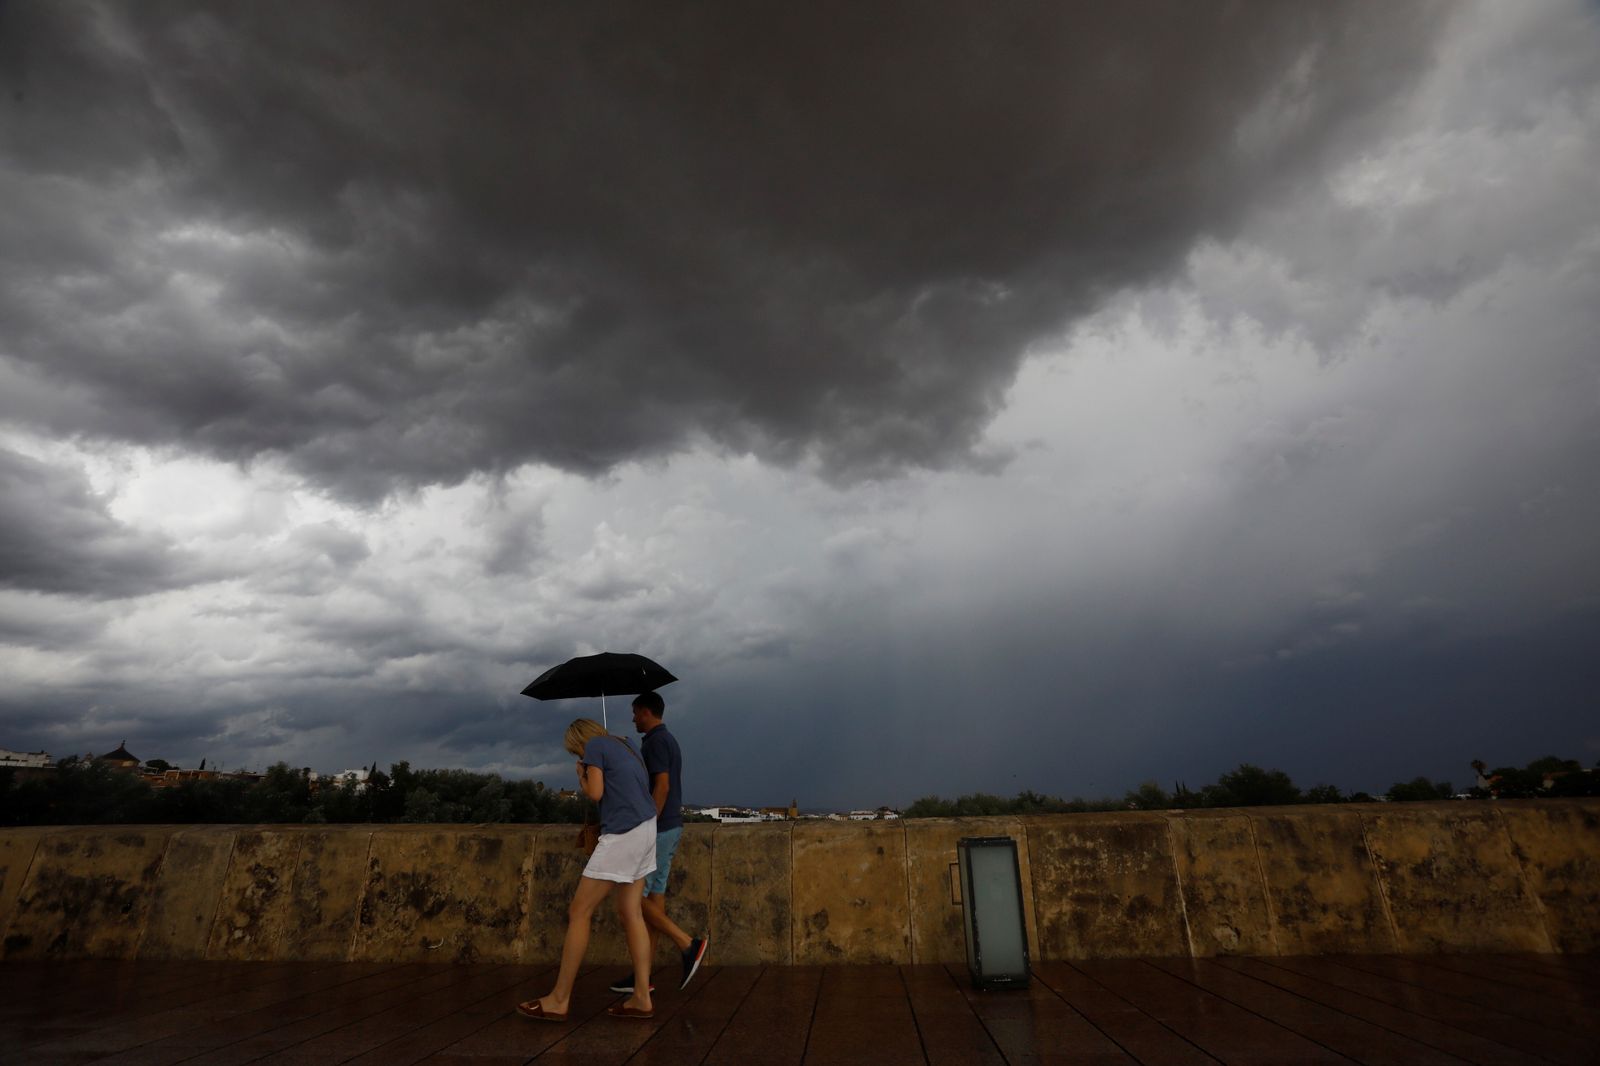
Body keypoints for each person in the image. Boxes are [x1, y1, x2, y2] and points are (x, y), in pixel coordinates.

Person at [518, 718, 658, 1022]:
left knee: (579, 911)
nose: (578, 755)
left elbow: (595, 793)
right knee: (631, 912)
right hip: (647, 829)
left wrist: (582, 775)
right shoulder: (626, 744)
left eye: (575, 751)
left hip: (623, 834)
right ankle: (642, 998)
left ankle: (558, 1000)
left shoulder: (594, 747)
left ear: (579, 741)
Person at [609, 691, 709, 996]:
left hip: (659, 829)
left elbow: (662, 786)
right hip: (670, 826)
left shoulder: (655, 742)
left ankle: (687, 944)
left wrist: (647, 824)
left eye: (635, 712)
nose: (633, 718)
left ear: (646, 712)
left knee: (630, 897)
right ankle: (644, 975)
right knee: (654, 898)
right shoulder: (667, 739)